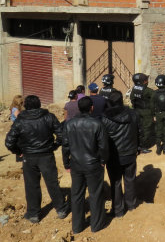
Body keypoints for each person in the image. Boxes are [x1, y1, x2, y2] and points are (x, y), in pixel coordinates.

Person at [5, 95, 69, 223]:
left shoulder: (20, 121)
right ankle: (61, 209)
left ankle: (34, 214)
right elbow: (62, 135)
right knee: (52, 183)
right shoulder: (49, 117)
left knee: (31, 185)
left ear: (25, 106)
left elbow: (9, 142)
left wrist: (19, 152)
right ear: (39, 104)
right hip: (46, 155)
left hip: (29, 157)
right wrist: (54, 146)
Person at [62, 97, 109, 233]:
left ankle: (77, 227)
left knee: (76, 195)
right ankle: (96, 225)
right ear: (92, 108)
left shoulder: (69, 124)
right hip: (93, 165)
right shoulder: (97, 124)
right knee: (95, 194)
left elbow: (65, 146)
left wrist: (67, 164)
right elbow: (103, 146)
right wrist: (103, 161)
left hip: (76, 165)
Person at [101, 90, 140, 217]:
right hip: (130, 153)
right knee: (130, 179)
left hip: (113, 156)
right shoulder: (133, 114)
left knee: (115, 182)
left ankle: (118, 211)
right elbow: (139, 132)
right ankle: (131, 206)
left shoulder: (105, 118)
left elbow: (103, 140)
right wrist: (138, 147)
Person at [130, 73, 155, 154]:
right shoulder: (148, 91)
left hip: (136, 111)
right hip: (146, 113)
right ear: (144, 82)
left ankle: (136, 145)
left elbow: (132, 99)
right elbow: (154, 102)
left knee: (137, 129)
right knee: (146, 130)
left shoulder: (134, 89)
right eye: (146, 80)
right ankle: (142, 147)